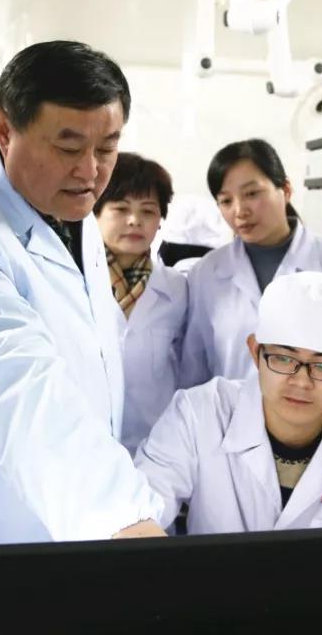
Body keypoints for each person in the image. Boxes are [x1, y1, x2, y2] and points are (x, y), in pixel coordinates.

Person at [0, 41, 165, 635]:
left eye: (107, 147)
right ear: (3, 129)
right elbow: (20, 390)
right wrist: (125, 519)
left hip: (74, 534)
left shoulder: (73, 215)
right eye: (68, 147)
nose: (90, 171)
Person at [136, 271, 322, 533]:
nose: (301, 382)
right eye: (283, 359)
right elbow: (141, 507)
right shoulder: (199, 414)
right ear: (255, 352)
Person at [179, 138, 322, 424]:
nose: (240, 210)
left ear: (285, 190)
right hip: (228, 433)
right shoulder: (207, 273)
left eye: (252, 193)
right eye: (226, 201)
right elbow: (193, 374)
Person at [93, 152, 188, 453]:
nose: (134, 220)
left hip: (155, 446)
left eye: (148, 211)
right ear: (95, 213)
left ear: (160, 222)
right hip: (86, 445)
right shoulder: (73, 280)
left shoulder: (178, 289)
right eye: (121, 209)